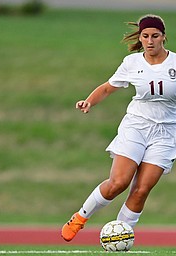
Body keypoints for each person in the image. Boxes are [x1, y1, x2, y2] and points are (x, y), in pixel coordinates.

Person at [61, 14, 176, 242]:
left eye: (155, 36)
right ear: (140, 38)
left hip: (167, 133)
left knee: (141, 189)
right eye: (145, 36)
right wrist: (89, 101)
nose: (150, 41)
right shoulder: (131, 63)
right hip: (136, 126)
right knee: (118, 183)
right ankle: (80, 217)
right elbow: (106, 88)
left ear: (164, 37)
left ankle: (118, 237)